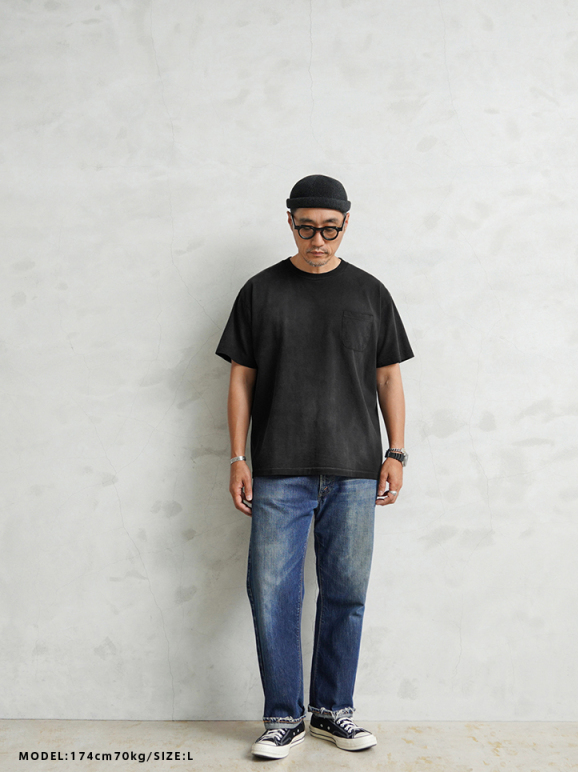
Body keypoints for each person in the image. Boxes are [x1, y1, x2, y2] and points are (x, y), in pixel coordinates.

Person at [215, 174, 414, 759]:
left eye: (330, 229)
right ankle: (283, 716)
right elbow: (241, 379)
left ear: (346, 223)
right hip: (279, 469)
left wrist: (397, 452)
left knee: (346, 592)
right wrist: (238, 457)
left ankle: (332, 711)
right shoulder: (261, 291)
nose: (318, 241)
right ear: (290, 222)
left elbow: (388, 377)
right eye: (306, 229)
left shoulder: (370, 293)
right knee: (270, 592)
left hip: (355, 468)